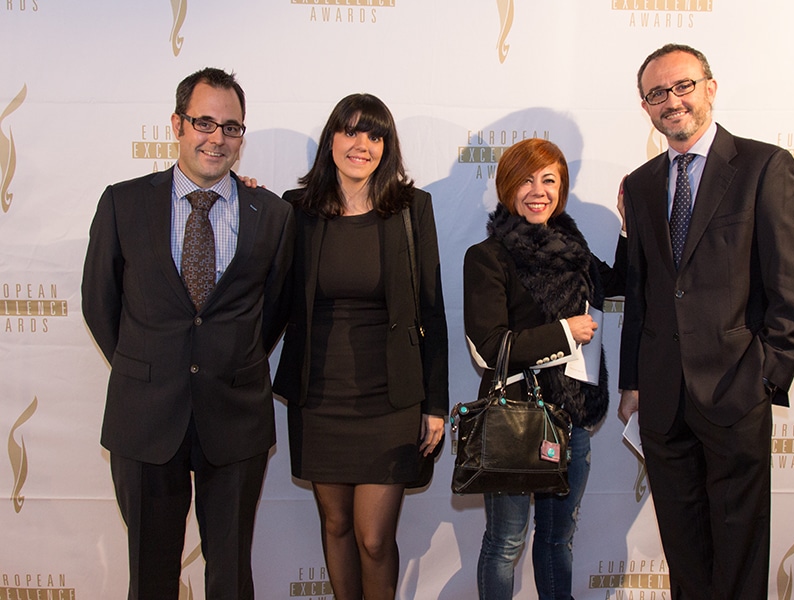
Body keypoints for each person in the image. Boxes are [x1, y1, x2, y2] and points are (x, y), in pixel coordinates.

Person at [81, 67, 294, 599]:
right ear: (177, 124)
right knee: (151, 577)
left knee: (231, 578)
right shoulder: (123, 203)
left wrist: (230, 359)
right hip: (145, 417)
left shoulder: (272, 214)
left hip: (236, 417)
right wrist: (147, 364)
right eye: (204, 122)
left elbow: (275, 309)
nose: (217, 138)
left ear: (241, 136)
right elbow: (100, 303)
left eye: (231, 127)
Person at [617, 44, 794, 599]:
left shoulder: (763, 166)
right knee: (685, 558)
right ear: (645, 106)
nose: (672, 101)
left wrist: (766, 376)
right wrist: (633, 381)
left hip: (737, 390)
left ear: (710, 87)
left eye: (682, 85)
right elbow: (640, 291)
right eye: (657, 93)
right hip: (663, 399)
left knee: (739, 557)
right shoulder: (641, 183)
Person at [272, 93, 448, 600]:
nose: (362, 144)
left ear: (386, 147)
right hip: (319, 396)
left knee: (374, 538)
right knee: (336, 525)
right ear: (331, 140)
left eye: (374, 135)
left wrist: (436, 404)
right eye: (350, 131)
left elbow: (431, 310)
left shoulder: (412, 208)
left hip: (391, 399)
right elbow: (275, 297)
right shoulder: (296, 210)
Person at [463, 137, 626, 600]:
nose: (538, 191)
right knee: (505, 543)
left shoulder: (571, 249)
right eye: (526, 180)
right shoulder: (488, 256)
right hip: (516, 419)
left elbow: (619, 282)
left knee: (558, 538)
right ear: (507, 187)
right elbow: (488, 349)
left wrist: (629, 227)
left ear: (562, 188)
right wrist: (564, 332)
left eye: (549, 180)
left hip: (572, 419)